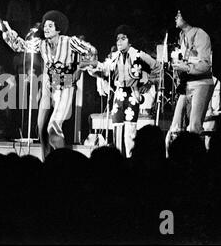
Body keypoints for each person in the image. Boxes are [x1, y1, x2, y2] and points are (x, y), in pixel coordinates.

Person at [0, 10, 97, 160]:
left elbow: (92, 52)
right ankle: (46, 162)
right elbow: (20, 46)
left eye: (50, 25)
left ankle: (62, 163)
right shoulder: (41, 43)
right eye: (45, 25)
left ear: (58, 28)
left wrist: (79, 69)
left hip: (65, 83)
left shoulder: (70, 41)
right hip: (48, 84)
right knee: (41, 128)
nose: (46, 28)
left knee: (53, 129)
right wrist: (7, 31)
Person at [88, 25, 160, 157]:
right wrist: (92, 66)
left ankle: (130, 159)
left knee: (130, 131)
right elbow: (103, 69)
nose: (119, 41)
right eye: (117, 39)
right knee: (117, 128)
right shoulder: (113, 57)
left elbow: (157, 67)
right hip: (119, 94)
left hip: (133, 94)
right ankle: (118, 160)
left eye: (123, 38)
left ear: (130, 40)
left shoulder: (139, 55)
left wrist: (149, 83)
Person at [166, 9, 214, 149]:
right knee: (175, 127)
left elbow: (206, 64)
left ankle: (198, 160)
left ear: (188, 16)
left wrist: (186, 67)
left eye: (179, 14)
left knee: (194, 127)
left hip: (201, 83)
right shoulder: (182, 35)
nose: (176, 17)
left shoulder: (201, 35)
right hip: (186, 85)